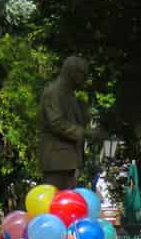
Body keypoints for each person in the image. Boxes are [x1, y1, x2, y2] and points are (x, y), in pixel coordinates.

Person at [38, 56, 105, 190]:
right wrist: (86, 133)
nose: (85, 80)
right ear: (73, 72)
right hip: (57, 161)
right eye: (83, 75)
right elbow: (56, 123)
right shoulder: (53, 92)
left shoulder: (70, 95)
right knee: (56, 203)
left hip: (68, 162)